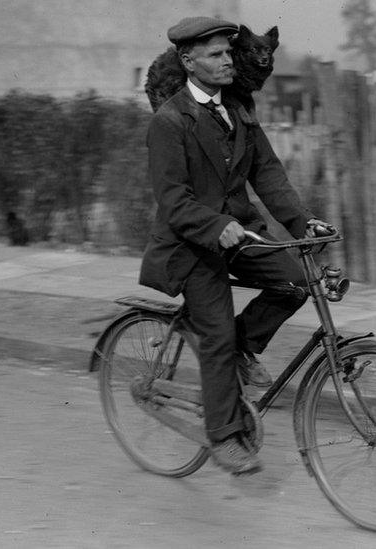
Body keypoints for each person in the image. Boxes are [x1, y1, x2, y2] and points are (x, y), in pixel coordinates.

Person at [138, 16, 331, 476]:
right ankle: (224, 436)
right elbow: (173, 200)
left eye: (229, 52)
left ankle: (243, 349)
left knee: (298, 281)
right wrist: (215, 224)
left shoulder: (239, 109)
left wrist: (304, 222)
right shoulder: (170, 121)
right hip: (191, 245)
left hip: (240, 234)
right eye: (216, 54)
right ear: (188, 61)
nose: (229, 61)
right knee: (216, 334)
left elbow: (268, 173)